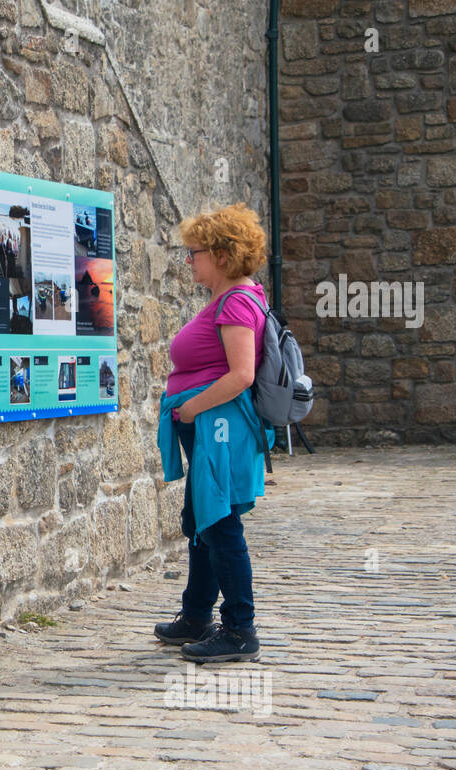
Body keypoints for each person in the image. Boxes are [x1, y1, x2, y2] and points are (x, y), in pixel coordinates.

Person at [154, 203, 272, 664]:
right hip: (209, 428)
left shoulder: (237, 301)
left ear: (221, 254)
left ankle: (240, 629)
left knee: (220, 524)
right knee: (201, 520)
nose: (189, 261)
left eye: (194, 252)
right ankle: (198, 614)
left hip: (217, 428)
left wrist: (189, 408)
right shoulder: (231, 298)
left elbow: (241, 374)